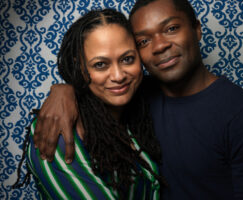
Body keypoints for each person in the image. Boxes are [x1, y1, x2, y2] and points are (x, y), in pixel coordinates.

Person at [33, 0, 243, 199]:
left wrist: (66, 89)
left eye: (171, 28)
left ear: (197, 29)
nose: (160, 45)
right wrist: (64, 89)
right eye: (144, 40)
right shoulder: (135, 98)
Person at [14, 8, 165, 200]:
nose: (118, 76)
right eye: (100, 64)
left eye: (127, 59)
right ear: (80, 67)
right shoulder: (58, 133)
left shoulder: (136, 115)